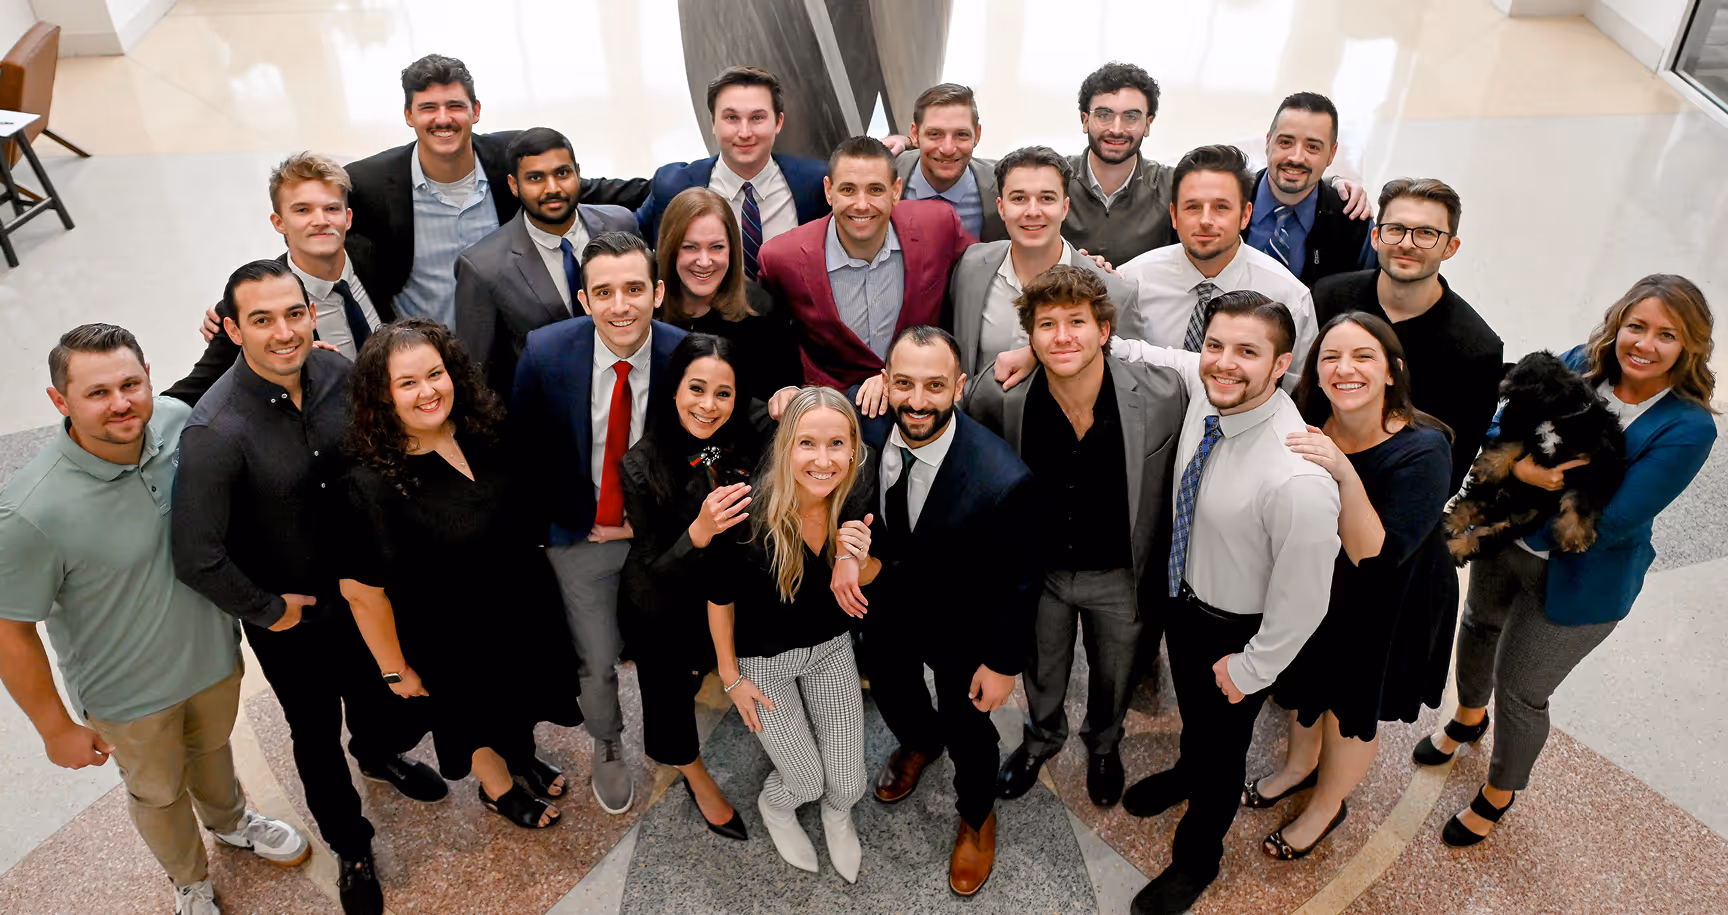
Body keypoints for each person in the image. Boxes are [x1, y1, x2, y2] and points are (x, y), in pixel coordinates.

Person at [1011, 292, 1339, 914]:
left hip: (1236, 629)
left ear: (1282, 364)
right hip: (1184, 603)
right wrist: (1031, 350)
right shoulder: (1211, 385)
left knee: (1224, 751)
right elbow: (1128, 346)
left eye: (1248, 351)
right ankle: (1186, 771)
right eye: (1215, 346)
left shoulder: (1296, 475)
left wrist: (1251, 669)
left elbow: (1304, 602)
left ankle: (1198, 857)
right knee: (1197, 725)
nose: (1224, 362)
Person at [0, 325, 309, 915]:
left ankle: (232, 821)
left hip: (213, 658)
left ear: (147, 378)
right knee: (159, 793)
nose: (121, 404)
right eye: (96, 393)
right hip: (128, 697)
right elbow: (9, 629)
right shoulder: (28, 510)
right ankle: (189, 881)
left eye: (130, 384)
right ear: (59, 401)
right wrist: (55, 729)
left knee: (215, 750)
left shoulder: (172, 422)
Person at [172, 260, 444, 915]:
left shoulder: (339, 376)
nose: (283, 330)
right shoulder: (215, 431)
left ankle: (378, 755)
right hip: (296, 621)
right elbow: (195, 554)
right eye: (261, 319)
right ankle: (350, 845)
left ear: (311, 313)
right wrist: (271, 612)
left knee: (387, 699)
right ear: (232, 329)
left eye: (293, 313)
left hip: (367, 597)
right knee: (314, 734)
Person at [1416, 275, 1717, 848]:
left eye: (1667, 335)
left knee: (1522, 689)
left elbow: (1617, 517)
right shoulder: (1580, 363)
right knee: (1478, 628)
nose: (1645, 344)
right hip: (1505, 548)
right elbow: (1506, 422)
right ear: (1617, 324)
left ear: (1691, 345)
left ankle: (1500, 791)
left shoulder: (1688, 425)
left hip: (1583, 577)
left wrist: (1513, 500)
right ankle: (1468, 717)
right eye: (1636, 326)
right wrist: (1522, 471)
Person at [340, 319, 585, 831]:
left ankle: (521, 757)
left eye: (435, 373)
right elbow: (362, 593)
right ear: (381, 397)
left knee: (518, 700)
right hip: (450, 638)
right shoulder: (369, 485)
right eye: (407, 383)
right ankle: (497, 788)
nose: (428, 391)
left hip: (518, 608)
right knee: (472, 717)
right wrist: (393, 669)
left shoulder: (484, 430)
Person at [962, 267, 1185, 809]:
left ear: (1104, 330)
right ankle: (1042, 738)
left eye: (1077, 322)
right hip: (1042, 572)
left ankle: (1104, 743)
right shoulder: (999, 398)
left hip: (1122, 574)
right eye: (1047, 325)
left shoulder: (1162, 395)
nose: (1062, 336)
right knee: (1042, 666)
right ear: (1030, 338)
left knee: (1115, 673)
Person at [1245, 312, 1457, 860]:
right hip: (1320, 586)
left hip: (1388, 600)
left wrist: (1342, 469)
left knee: (1349, 710)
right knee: (1304, 687)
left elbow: (1374, 554)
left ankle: (1326, 806)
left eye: (1364, 356)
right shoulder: (1310, 413)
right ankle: (1297, 767)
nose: (1345, 369)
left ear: (1393, 372)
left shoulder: (1425, 448)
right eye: (1331, 357)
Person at [510, 231, 689, 816]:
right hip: (582, 532)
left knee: (665, 651)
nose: (621, 306)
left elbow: (705, 455)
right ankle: (607, 741)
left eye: (635, 289)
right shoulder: (544, 352)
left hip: (657, 534)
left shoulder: (687, 353)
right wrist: (550, 528)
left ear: (658, 293)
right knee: (595, 653)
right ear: (583, 300)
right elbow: (525, 446)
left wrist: (656, 527)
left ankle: (676, 746)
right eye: (604, 292)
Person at [858, 326, 1039, 896]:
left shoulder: (1001, 479)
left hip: (963, 621)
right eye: (904, 383)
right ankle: (918, 741)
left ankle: (977, 815)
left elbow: (1018, 581)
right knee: (892, 688)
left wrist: (1003, 664)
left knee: (968, 727)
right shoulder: (861, 429)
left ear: (959, 387)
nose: (917, 401)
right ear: (884, 383)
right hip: (883, 604)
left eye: (935, 386)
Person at [704, 386, 879, 881]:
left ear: (853, 448)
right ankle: (776, 807)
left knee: (847, 784)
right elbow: (719, 600)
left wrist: (858, 559)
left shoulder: (857, 492)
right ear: (784, 446)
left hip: (829, 650)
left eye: (837, 444)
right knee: (802, 781)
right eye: (807, 443)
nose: (824, 460)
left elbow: (875, 575)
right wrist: (732, 678)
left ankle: (836, 815)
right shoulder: (745, 513)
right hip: (764, 663)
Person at [345, 54, 645, 325]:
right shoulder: (370, 184)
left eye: (455, 106)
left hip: (509, 361)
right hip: (428, 363)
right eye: (428, 108)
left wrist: (681, 181)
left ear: (475, 111)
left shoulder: (509, 159)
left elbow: (586, 192)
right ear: (409, 115)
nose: (443, 119)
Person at [620, 333, 765, 842]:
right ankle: (694, 775)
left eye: (723, 394)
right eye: (696, 389)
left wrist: (793, 395)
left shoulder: (750, 427)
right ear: (674, 390)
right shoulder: (641, 464)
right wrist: (698, 533)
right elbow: (653, 566)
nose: (708, 405)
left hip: (734, 590)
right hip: (667, 598)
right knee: (666, 688)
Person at [1063, 63, 1368, 267]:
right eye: (1104, 114)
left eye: (1131, 116)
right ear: (1084, 119)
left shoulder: (1174, 185)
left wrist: (1337, 183)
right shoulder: (1053, 181)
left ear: (1148, 124)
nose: (1117, 128)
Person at [1313, 178, 1503, 493]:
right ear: (1376, 236)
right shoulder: (1326, 298)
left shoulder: (1477, 349)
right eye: (1396, 229)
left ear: (1450, 247)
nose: (1407, 243)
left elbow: (1450, 470)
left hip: (1394, 507)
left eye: (1426, 233)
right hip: (1306, 480)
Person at [170, 153, 392, 406]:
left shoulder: (378, 258)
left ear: (347, 218)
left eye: (331, 208)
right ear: (279, 222)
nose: (320, 221)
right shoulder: (250, 305)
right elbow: (190, 394)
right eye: (302, 210)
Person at [758, 136, 974, 393]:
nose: (861, 205)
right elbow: (770, 341)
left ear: (895, 191)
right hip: (834, 407)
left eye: (875, 189)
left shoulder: (938, 225)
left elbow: (986, 270)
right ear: (829, 190)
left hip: (921, 395)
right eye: (848, 189)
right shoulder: (781, 258)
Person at [1116, 144, 1318, 392]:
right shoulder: (1131, 281)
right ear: (1174, 215)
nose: (1205, 220)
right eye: (1193, 207)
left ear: (1245, 215)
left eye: (1221, 207)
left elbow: (1299, 390)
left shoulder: (1289, 297)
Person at [453, 127, 641, 393]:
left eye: (562, 173)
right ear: (514, 185)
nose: (552, 188)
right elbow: (478, 377)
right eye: (535, 178)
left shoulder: (621, 223)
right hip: (548, 423)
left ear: (577, 171)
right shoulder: (482, 267)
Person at [949, 146, 1144, 379]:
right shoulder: (970, 267)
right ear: (1001, 207)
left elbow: (1131, 383)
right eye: (1019, 198)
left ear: (1065, 207)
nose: (1033, 211)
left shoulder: (1114, 292)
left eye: (1047, 198)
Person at [636, 66, 830, 268]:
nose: (745, 132)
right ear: (713, 123)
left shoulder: (815, 182)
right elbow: (628, 240)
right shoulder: (674, 185)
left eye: (757, 118)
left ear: (778, 122)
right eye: (732, 118)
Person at [654, 187, 802, 401]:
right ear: (670, 249)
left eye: (716, 247)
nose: (704, 262)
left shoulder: (762, 312)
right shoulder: (646, 303)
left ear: (731, 249)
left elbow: (784, 393)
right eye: (690, 247)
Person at [1246, 92, 1374, 288]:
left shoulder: (1354, 223)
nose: (1296, 158)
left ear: (1332, 154)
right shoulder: (1227, 200)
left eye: (1312, 147)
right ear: (1267, 142)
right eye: (1286, 142)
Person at [892, 83, 1005, 242]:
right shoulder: (887, 171)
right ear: (915, 134)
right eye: (935, 134)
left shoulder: (1003, 185)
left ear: (977, 135)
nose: (948, 149)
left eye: (961, 134)